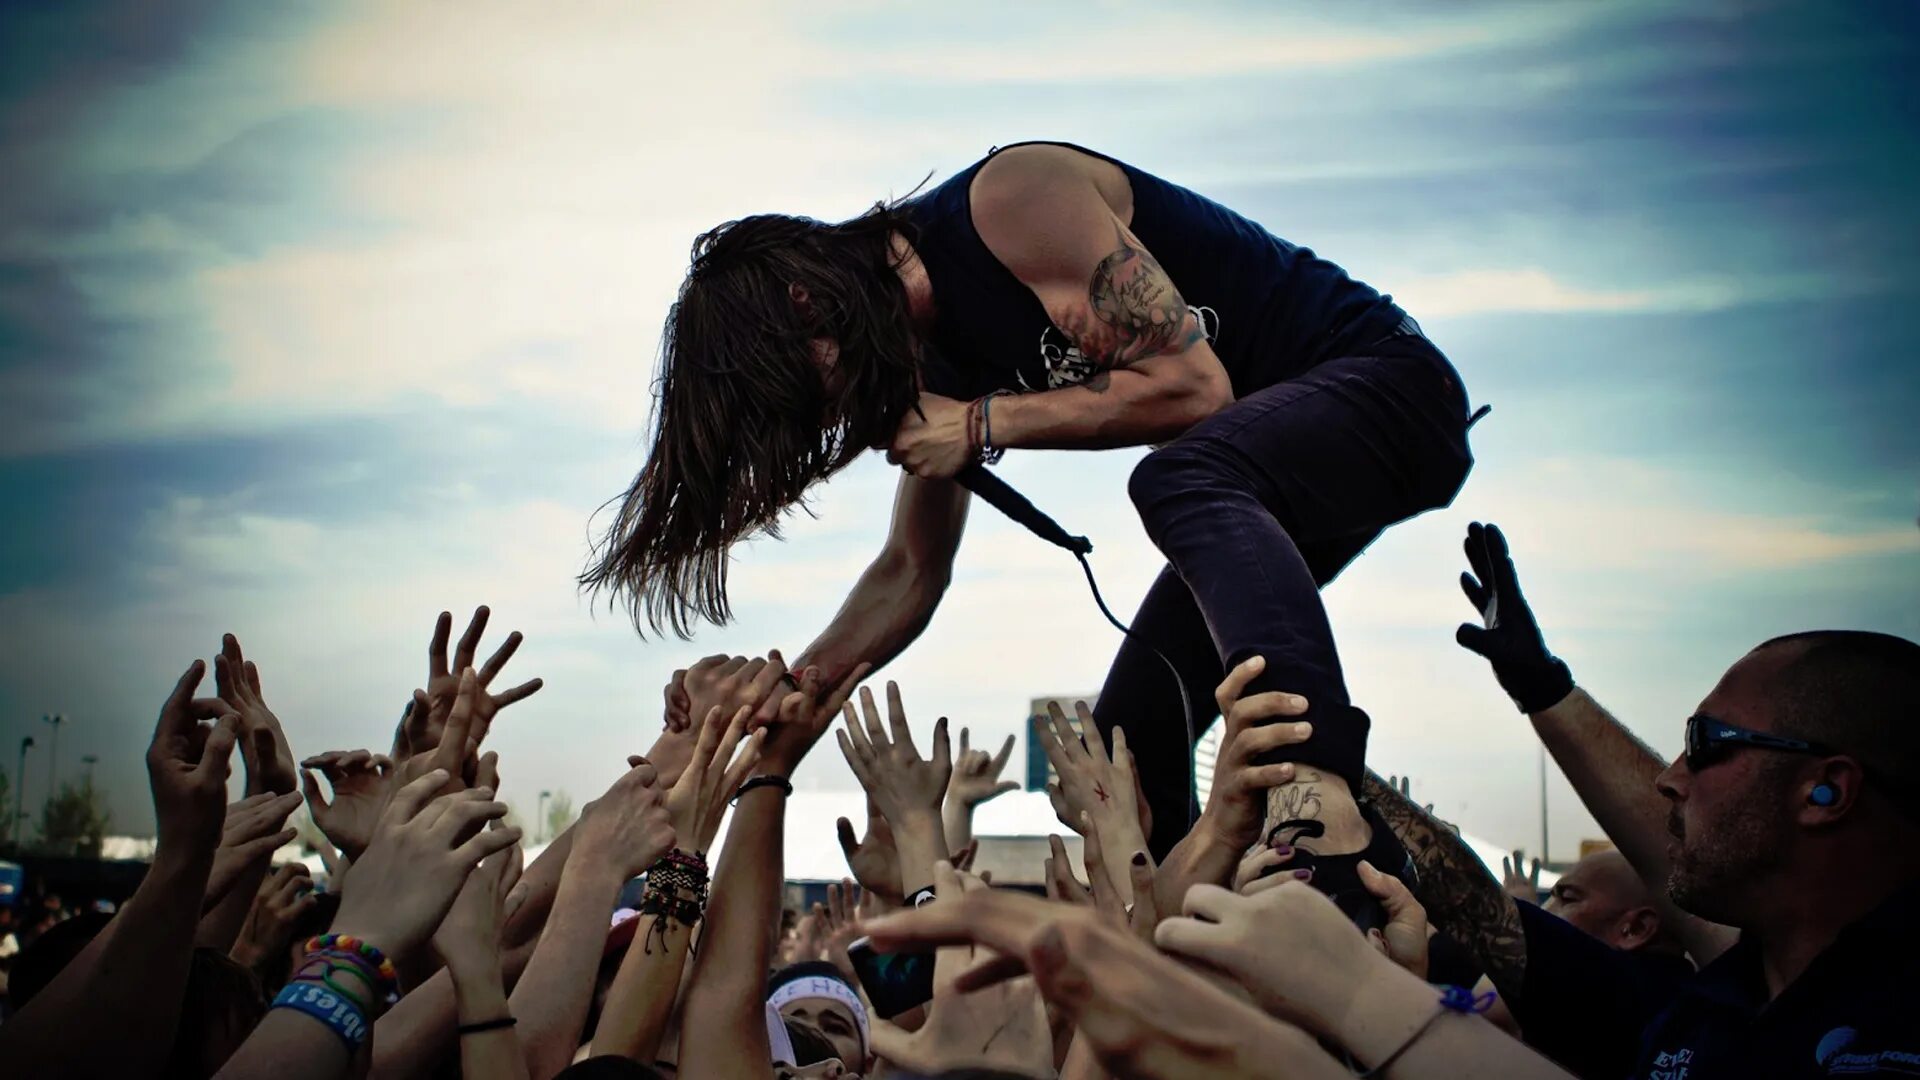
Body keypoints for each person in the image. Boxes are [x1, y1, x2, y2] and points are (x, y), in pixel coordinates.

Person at [585, 140, 1480, 904]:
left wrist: (981, 424)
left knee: (1181, 479)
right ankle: (1292, 929)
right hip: (1276, 480)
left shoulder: (1009, 202)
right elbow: (909, 570)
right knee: (1121, 743)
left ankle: (1316, 802)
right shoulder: (922, 365)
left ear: (807, 305)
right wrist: (800, 687)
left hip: (1392, 389)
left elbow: (1196, 389)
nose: (835, 416)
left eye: (814, 392)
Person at [1454, 521, 1920, 1078]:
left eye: (1706, 745)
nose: (1668, 779)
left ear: (1828, 792)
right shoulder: (1716, 1001)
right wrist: (1542, 688)